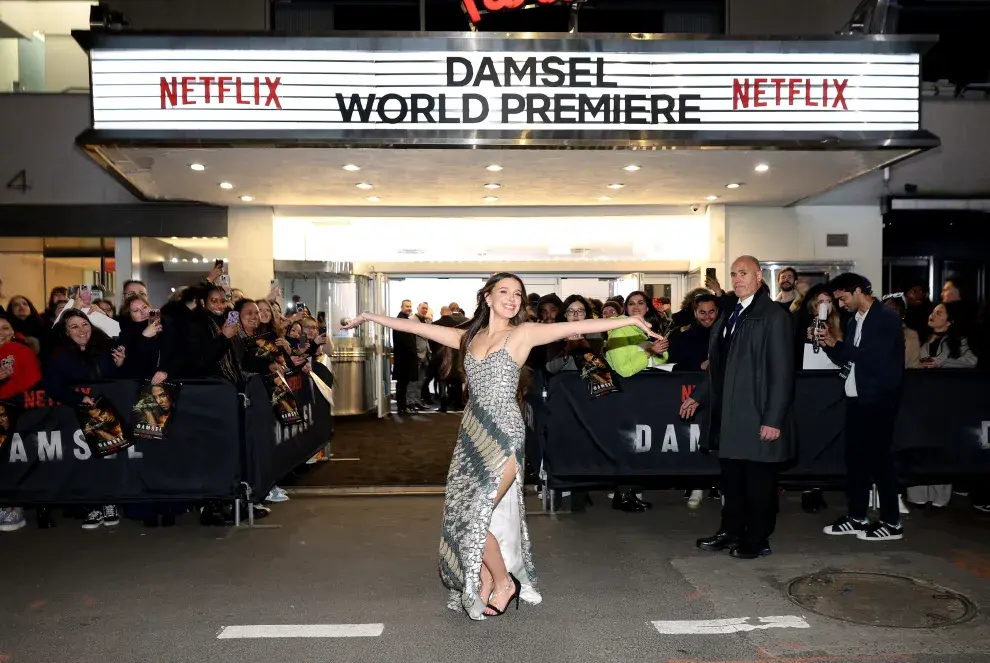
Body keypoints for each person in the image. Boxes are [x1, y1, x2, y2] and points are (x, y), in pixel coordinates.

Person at [342, 272, 660, 620]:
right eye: (504, 292)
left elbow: (572, 329)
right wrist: (371, 317)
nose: (512, 299)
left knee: (475, 513)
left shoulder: (522, 334)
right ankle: (481, 579)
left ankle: (503, 582)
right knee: (461, 514)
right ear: (487, 297)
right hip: (471, 434)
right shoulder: (467, 336)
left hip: (505, 433)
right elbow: (417, 329)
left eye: (518, 294)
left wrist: (630, 319)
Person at [680, 255, 795, 560]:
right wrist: (698, 395)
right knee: (732, 482)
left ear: (759, 276)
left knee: (759, 485)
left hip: (757, 415)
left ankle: (757, 539)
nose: (737, 279)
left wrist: (773, 419)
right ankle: (730, 530)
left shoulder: (773, 316)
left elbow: (782, 373)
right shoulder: (731, 314)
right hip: (730, 417)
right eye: (733, 274)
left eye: (743, 273)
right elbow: (719, 365)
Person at [819, 273, 906, 541]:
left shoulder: (886, 318)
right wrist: (828, 345)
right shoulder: (854, 320)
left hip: (879, 399)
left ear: (858, 291)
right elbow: (850, 360)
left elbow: (874, 359)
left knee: (880, 461)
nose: (841, 304)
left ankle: (892, 522)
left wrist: (838, 345)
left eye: (843, 298)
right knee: (855, 460)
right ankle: (857, 517)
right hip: (857, 398)